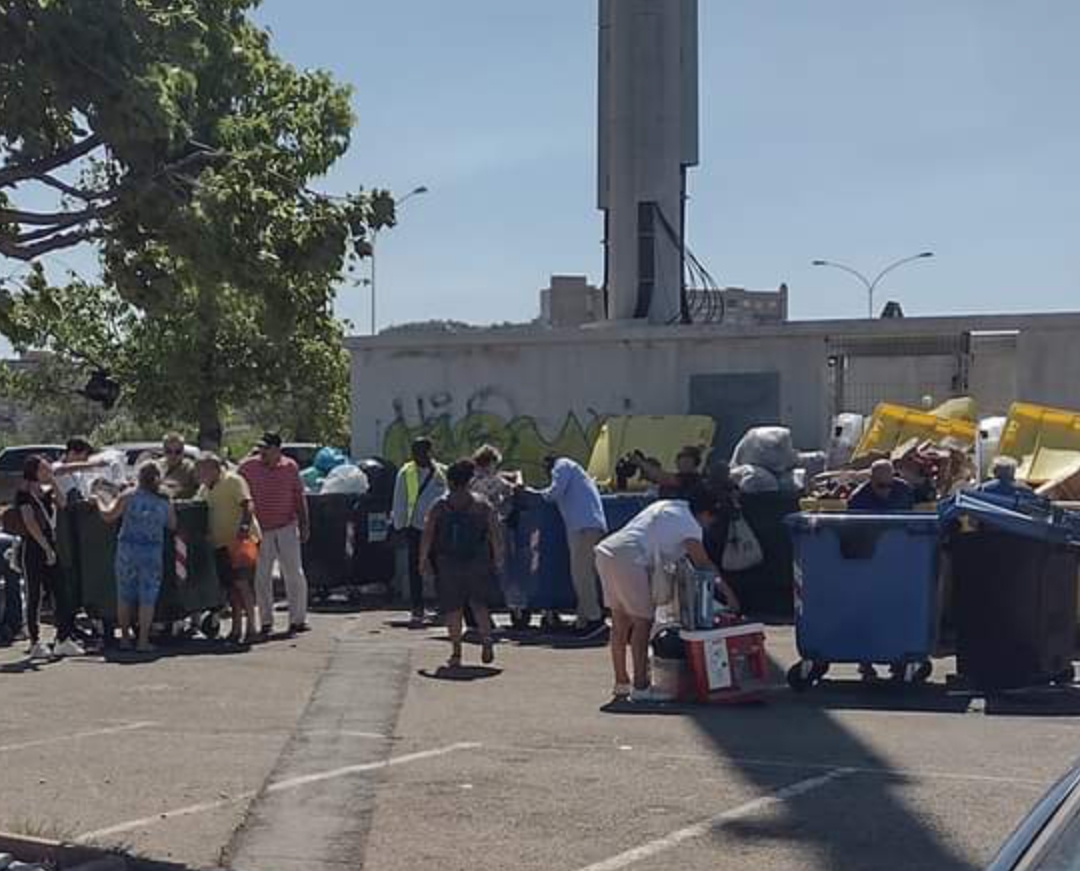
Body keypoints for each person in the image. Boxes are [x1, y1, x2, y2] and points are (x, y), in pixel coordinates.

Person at [595, 488, 740, 702]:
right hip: (631, 556)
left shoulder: (668, 506)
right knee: (643, 622)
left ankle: (621, 682)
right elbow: (703, 564)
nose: (709, 527)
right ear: (706, 514)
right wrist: (729, 595)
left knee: (620, 622)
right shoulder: (690, 526)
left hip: (607, 550)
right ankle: (641, 686)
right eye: (711, 521)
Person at [419, 459, 503, 668]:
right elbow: (494, 533)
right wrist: (498, 557)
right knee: (479, 604)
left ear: (449, 481)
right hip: (477, 561)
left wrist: (422, 561)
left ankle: (456, 652)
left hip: (448, 563)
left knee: (453, 609)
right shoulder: (482, 504)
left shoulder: (440, 505)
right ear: (469, 480)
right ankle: (486, 640)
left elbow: (428, 534)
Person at [524, 455, 608, 639]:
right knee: (584, 574)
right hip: (587, 524)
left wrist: (533, 493)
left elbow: (554, 493)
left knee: (582, 575)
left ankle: (595, 620)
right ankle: (583, 620)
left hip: (582, 526)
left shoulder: (562, 466)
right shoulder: (577, 471)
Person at [96, 462, 177, 653]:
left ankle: (124, 639)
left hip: (127, 551)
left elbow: (109, 516)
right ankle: (143, 641)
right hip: (152, 552)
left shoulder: (128, 496)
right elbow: (172, 525)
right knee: (147, 598)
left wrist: (99, 500)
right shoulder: (164, 501)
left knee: (124, 595)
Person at [239, 433, 310, 638]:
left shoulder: (290, 467)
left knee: (294, 573)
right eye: (260, 448)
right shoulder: (248, 467)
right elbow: (238, 488)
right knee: (262, 576)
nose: (262, 453)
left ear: (277, 449)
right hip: (260, 529)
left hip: (286, 525)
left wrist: (305, 524)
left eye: (267, 449)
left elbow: (299, 496)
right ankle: (266, 621)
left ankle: (298, 619)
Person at [18, 455, 83, 659]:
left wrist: (54, 483)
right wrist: (46, 548)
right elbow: (30, 523)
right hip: (34, 547)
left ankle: (62, 638)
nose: (49, 472)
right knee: (34, 594)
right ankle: (35, 641)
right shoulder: (24, 494)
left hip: (50, 545)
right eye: (45, 469)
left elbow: (63, 504)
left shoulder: (45, 492)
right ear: (35, 472)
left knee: (60, 590)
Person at [198, 453, 260, 644]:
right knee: (231, 588)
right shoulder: (204, 489)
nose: (201, 473)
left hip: (240, 542)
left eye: (204, 469)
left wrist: (243, 527)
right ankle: (235, 629)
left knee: (243, 584)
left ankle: (251, 627)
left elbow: (247, 504)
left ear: (215, 469)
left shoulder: (233, 480)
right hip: (220, 544)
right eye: (199, 470)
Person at [391, 437, 448, 626]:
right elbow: (399, 500)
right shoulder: (406, 473)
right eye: (415, 452)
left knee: (440, 568)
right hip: (414, 527)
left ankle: (443, 607)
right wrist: (399, 526)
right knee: (416, 569)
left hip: (438, 529)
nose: (418, 456)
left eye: (422, 452)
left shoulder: (442, 472)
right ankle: (417, 609)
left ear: (430, 452)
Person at [633, 445, 706, 499]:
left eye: (685, 460)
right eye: (678, 459)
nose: (678, 463)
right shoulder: (680, 476)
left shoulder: (692, 479)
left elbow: (663, 478)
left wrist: (640, 462)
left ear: (693, 462)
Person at [848, 459, 916, 511]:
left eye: (889, 485)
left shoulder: (904, 490)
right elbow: (857, 525)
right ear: (871, 479)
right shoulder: (858, 498)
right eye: (881, 486)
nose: (886, 490)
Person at [157, 433, 199, 500]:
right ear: (163, 451)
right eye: (169, 451)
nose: (173, 455)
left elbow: (198, 492)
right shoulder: (156, 466)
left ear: (183, 452)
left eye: (178, 452)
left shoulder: (191, 468)